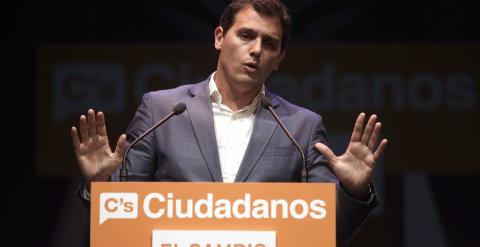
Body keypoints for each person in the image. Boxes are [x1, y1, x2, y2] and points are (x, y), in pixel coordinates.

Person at [71, 0, 387, 244]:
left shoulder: (300, 127)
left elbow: (329, 230)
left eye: (270, 44)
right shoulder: (162, 110)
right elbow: (124, 216)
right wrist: (99, 187)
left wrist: (353, 190)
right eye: (246, 35)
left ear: (279, 58)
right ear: (220, 37)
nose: (256, 51)